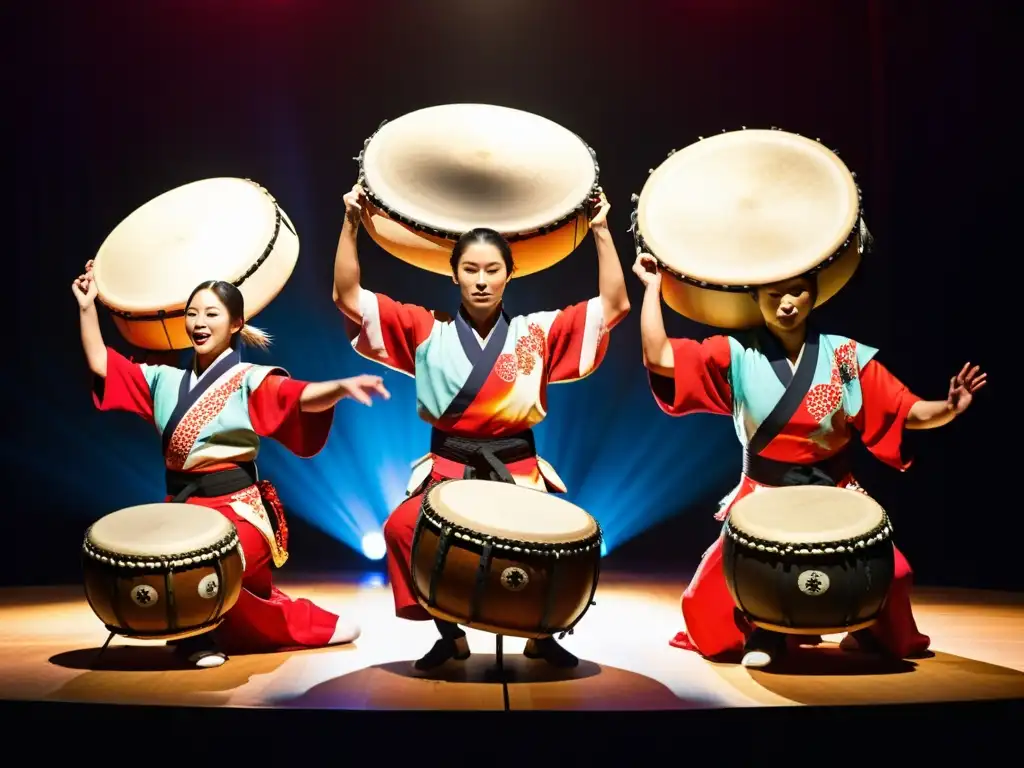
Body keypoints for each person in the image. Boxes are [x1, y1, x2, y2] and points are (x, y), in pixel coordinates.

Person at [633, 253, 986, 668]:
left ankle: (862, 627)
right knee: (706, 597)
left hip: (833, 492)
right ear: (755, 298)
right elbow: (659, 357)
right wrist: (653, 288)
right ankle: (764, 630)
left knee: (896, 573)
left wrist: (948, 408)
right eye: (773, 293)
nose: (786, 303)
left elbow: (903, 410)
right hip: (762, 494)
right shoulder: (736, 353)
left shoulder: (844, 357)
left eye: (797, 291)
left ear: (814, 293)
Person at [333, 183, 630, 671]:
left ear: (510, 274)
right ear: (453, 275)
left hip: (519, 468)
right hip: (448, 466)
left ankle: (542, 633)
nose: (481, 280)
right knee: (402, 529)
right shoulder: (426, 330)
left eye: (493, 270)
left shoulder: (537, 332)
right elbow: (347, 295)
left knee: (552, 548)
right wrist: (350, 222)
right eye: (470, 269)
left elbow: (614, 306)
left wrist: (599, 229)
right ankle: (449, 634)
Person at [74, 263, 391, 668]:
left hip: (238, 507)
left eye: (211, 314)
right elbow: (103, 364)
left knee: (213, 564)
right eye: (192, 314)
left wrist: (340, 388)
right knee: (169, 563)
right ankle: (200, 631)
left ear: (236, 322)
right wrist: (87, 307)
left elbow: (295, 396)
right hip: (183, 508)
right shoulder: (163, 380)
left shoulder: (248, 378)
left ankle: (231, 633)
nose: (199, 323)